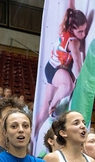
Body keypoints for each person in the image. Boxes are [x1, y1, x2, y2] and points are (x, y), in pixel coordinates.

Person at [35, 4, 88, 136]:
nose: (84, 34)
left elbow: (71, 5)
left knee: (42, 113)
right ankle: (53, 106)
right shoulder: (73, 41)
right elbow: (77, 62)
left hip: (54, 68)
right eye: (80, 32)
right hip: (55, 69)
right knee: (68, 86)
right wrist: (81, 81)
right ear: (72, 29)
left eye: (85, 30)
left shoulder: (67, 24)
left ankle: (32, 138)